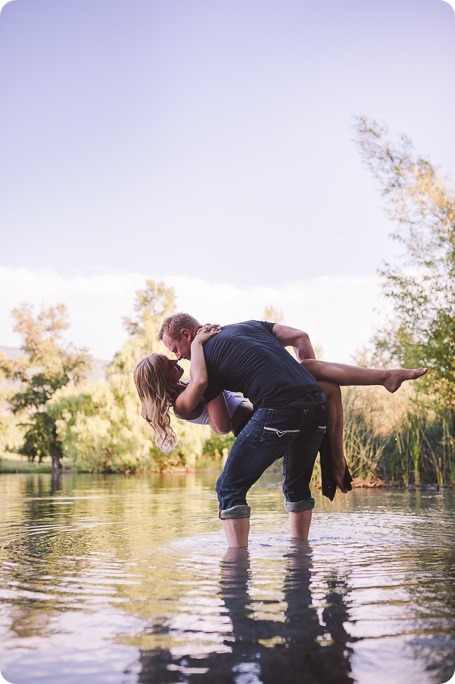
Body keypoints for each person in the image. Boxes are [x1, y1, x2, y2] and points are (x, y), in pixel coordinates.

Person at [155, 314, 427, 548]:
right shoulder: (248, 326)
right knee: (296, 486)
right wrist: (308, 368)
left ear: (187, 334)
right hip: (317, 403)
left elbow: (221, 425)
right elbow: (300, 335)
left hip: (278, 413)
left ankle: (237, 566)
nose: (177, 355)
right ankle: (301, 552)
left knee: (228, 487)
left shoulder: (203, 365)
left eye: (175, 348)